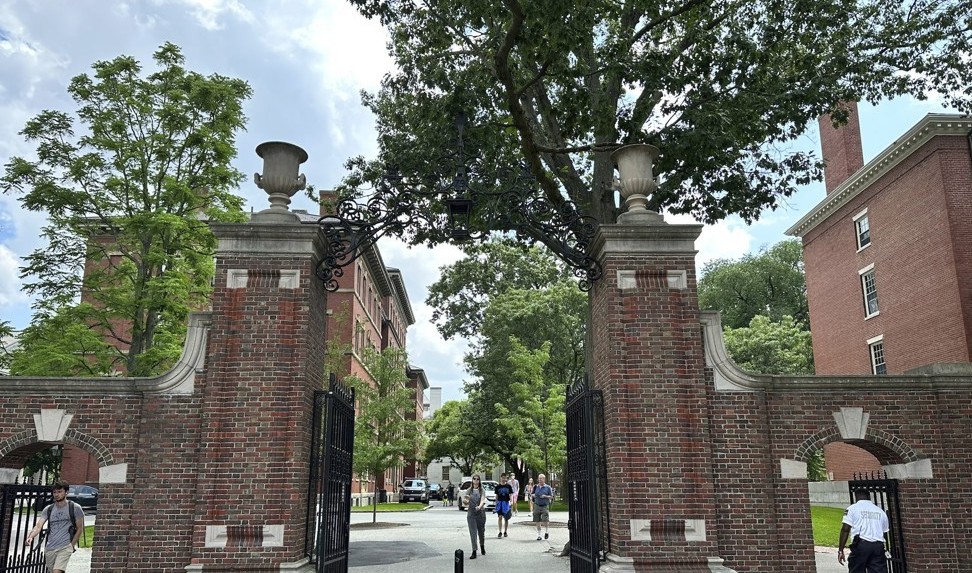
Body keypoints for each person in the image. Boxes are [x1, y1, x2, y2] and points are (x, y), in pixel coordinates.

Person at [25, 480, 85, 573]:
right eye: (54, 492)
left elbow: (80, 528)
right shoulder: (48, 509)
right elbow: (38, 526)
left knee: (56, 571)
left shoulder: (75, 507)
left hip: (65, 546)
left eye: (60, 492)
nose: (56, 494)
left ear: (66, 492)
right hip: (50, 548)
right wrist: (31, 537)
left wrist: (71, 545)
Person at [838, 490, 890, 573]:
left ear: (856, 497)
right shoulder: (880, 511)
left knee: (856, 570)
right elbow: (884, 531)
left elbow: (845, 529)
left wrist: (841, 550)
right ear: (869, 497)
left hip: (861, 545)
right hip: (878, 546)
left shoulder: (852, 509)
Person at [464, 475, 488, 559]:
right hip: (471, 513)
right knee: (473, 533)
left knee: (481, 532)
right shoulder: (469, 490)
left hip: (480, 513)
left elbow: (482, 500)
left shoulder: (482, 490)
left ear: (479, 481)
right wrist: (466, 501)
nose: (476, 480)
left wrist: (479, 506)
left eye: (478, 479)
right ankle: (474, 550)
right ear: (472, 480)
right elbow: (465, 501)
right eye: (474, 479)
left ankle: (482, 545)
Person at [532, 473, 553, 541]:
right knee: (537, 520)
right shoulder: (536, 486)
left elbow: (551, 497)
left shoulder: (548, 487)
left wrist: (545, 496)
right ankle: (539, 535)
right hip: (537, 505)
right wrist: (533, 495)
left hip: (544, 505)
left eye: (541, 478)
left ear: (544, 479)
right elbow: (532, 494)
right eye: (539, 478)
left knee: (545, 519)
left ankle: (546, 531)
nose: (539, 480)